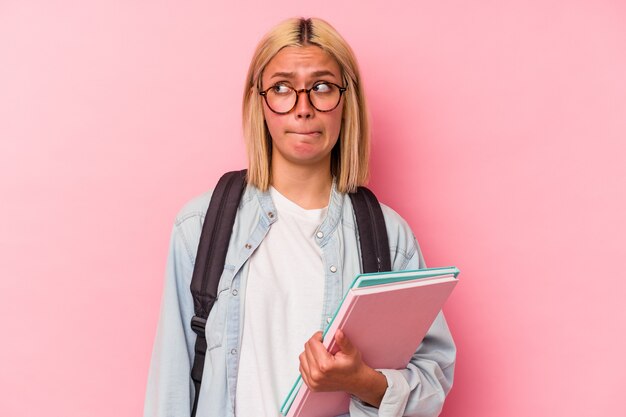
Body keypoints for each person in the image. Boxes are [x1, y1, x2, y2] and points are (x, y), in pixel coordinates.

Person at [144, 17, 455, 417]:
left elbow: (433, 380)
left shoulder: (388, 238)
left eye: (322, 87)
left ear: (347, 101)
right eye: (282, 88)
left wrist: (361, 381)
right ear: (259, 101)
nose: (303, 108)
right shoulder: (202, 225)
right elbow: (169, 388)